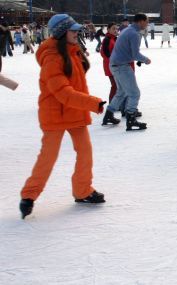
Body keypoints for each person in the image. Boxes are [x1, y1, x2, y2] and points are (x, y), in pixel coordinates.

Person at [19, 14, 106, 219]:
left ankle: (83, 190)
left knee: (85, 152)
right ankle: (29, 196)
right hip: (55, 115)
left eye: (77, 30)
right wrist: (92, 103)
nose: (77, 33)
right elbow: (63, 93)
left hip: (74, 111)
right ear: (60, 33)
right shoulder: (52, 57)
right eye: (73, 30)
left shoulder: (72, 51)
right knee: (48, 158)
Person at [102, 13, 151, 131]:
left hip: (115, 64)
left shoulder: (127, 30)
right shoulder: (134, 34)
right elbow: (135, 54)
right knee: (134, 93)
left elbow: (129, 51)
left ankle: (109, 115)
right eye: (147, 21)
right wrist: (145, 60)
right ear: (140, 21)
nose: (147, 24)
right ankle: (131, 119)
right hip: (122, 65)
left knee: (122, 91)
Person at [100, 23, 119, 103]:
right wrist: (113, 61)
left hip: (116, 66)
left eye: (116, 29)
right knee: (115, 85)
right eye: (113, 28)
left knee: (118, 85)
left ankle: (116, 103)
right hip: (110, 66)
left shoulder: (114, 38)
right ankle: (112, 103)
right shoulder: (107, 39)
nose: (115, 30)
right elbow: (104, 53)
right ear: (108, 30)